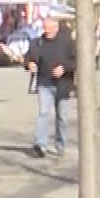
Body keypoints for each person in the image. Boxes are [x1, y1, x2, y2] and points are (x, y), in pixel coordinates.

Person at [26, 14, 75, 157]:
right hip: (44, 83)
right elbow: (29, 57)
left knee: (62, 117)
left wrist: (64, 68)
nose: (46, 31)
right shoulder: (38, 42)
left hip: (63, 84)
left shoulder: (67, 43)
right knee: (43, 113)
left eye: (49, 28)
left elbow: (76, 61)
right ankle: (40, 144)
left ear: (56, 27)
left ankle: (60, 145)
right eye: (45, 28)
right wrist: (30, 64)